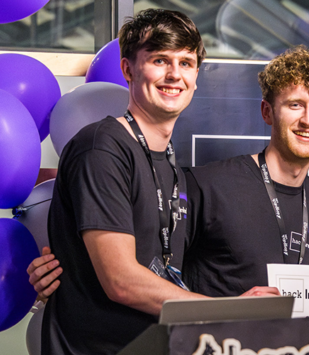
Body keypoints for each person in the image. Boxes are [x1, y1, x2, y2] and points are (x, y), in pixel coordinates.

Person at [38, 10, 273, 355]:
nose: (174, 74)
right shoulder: (102, 146)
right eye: (160, 60)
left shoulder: (169, 163)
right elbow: (121, 281)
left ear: (196, 76)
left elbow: (163, 271)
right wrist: (226, 312)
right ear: (128, 69)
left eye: (186, 62)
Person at [181, 46, 309, 296]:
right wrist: (228, 310)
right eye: (295, 105)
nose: (308, 119)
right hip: (217, 335)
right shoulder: (208, 186)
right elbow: (160, 280)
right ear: (267, 112)